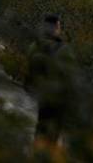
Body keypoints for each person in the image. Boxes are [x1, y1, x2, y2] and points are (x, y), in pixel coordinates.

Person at [27, 14, 78, 145]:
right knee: (53, 134)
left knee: (41, 128)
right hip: (57, 98)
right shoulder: (62, 49)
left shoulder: (33, 46)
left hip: (40, 94)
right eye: (59, 26)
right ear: (56, 27)